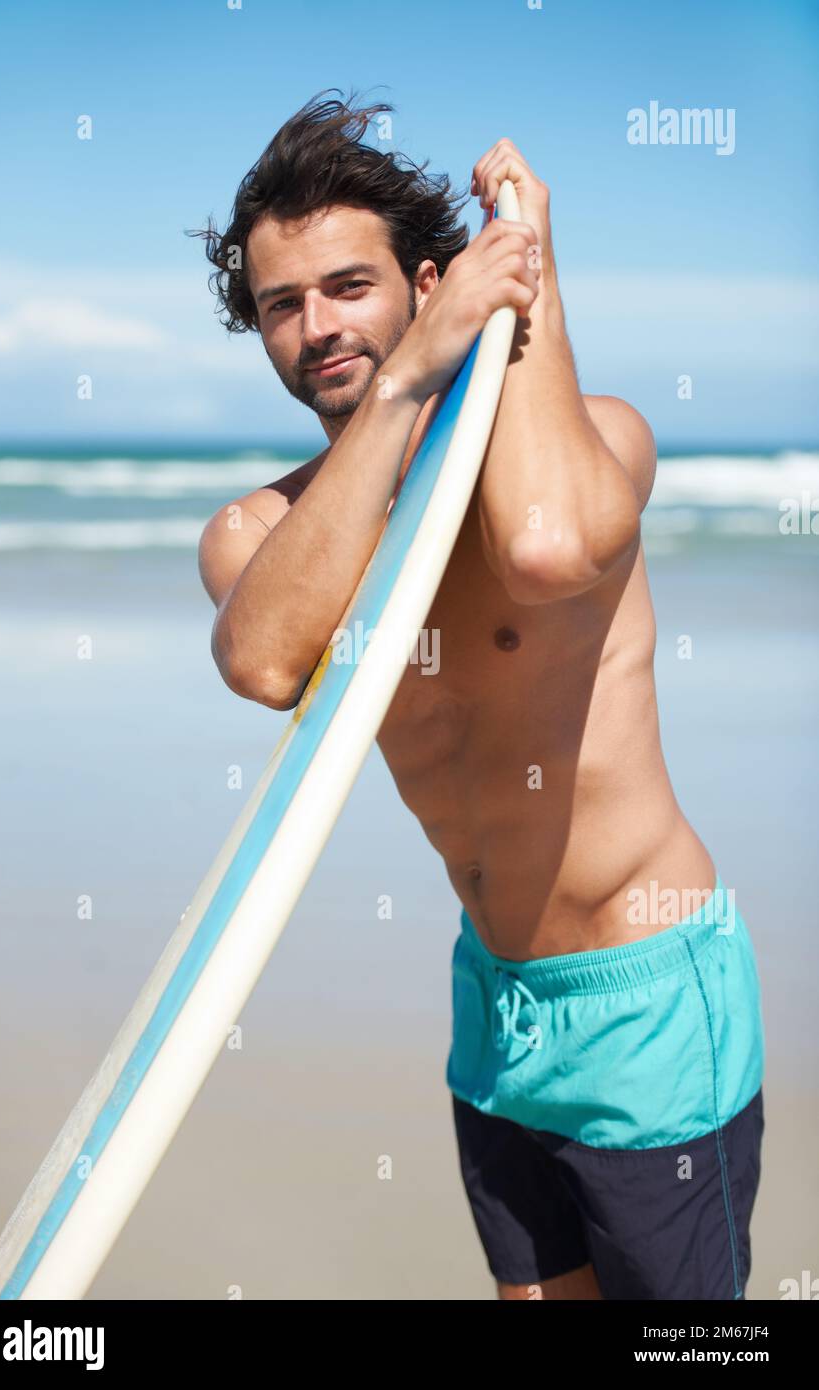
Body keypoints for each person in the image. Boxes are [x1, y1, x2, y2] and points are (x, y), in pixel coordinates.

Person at [195, 89, 765, 1301]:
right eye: (280, 305)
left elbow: (550, 546)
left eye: (349, 287)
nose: (314, 329)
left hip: (647, 995)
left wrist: (524, 277)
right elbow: (260, 661)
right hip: (491, 1002)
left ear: (426, 281)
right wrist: (403, 386)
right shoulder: (263, 531)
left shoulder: (602, 436)